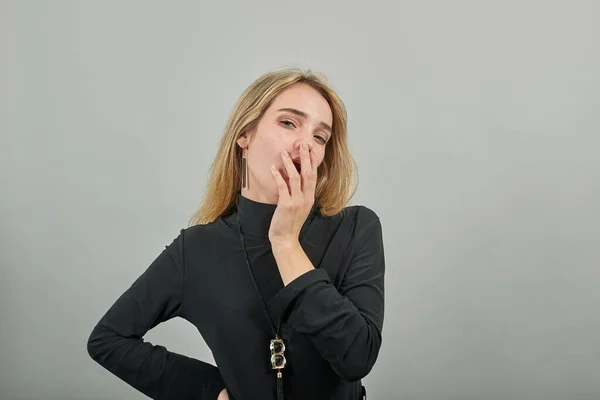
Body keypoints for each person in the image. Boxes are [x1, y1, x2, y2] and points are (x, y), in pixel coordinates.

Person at [87, 67, 386, 400]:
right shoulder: (197, 250)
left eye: (320, 137)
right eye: (289, 123)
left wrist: (285, 242)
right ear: (246, 135)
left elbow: (357, 357)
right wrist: (210, 390)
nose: (306, 145)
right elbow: (107, 340)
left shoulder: (356, 227)